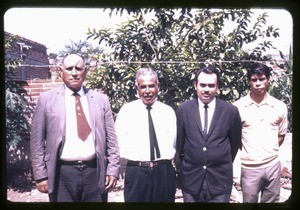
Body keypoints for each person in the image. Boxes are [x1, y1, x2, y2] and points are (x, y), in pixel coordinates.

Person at [30, 53, 120, 202]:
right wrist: (40, 175)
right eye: (69, 68)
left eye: (78, 68)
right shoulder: (46, 99)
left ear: (85, 71)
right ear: (61, 71)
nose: (74, 73)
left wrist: (113, 170)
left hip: (95, 172)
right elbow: (36, 141)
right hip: (61, 174)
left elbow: (112, 139)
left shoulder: (100, 100)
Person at [176, 65, 242, 202]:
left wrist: (217, 159)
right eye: (203, 85)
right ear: (195, 85)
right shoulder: (183, 110)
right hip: (191, 181)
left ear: (217, 87)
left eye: (211, 85)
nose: (206, 89)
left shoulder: (231, 111)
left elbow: (234, 145)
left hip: (220, 182)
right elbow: (180, 145)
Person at [115, 67, 177, 202]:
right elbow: (117, 143)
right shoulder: (127, 111)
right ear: (137, 88)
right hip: (137, 171)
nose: (147, 91)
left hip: (164, 171)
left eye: (151, 86)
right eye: (143, 87)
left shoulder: (168, 112)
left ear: (158, 86)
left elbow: (175, 143)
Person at [233, 63, 288, 203]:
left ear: (268, 79)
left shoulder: (279, 106)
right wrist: (251, 152)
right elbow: (235, 138)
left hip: (273, 166)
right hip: (249, 167)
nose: (258, 83)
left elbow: (281, 135)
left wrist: (268, 151)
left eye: (261, 79)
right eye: (254, 80)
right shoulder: (237, 108)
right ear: (249, 81)